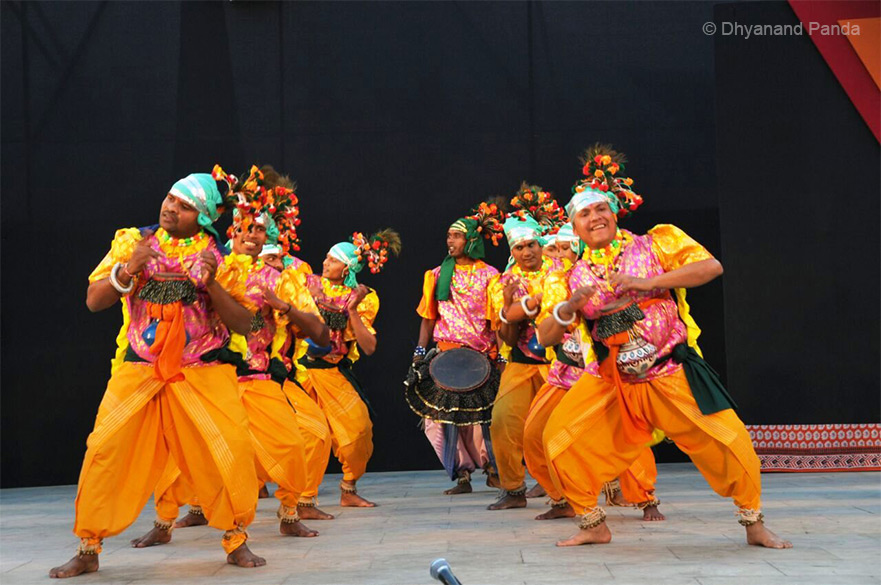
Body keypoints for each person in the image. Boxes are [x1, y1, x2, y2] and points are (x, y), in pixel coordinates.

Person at [538, 144, 791, 548]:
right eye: (584, 213)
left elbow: (711, 267)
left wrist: (647, 284)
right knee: (558, 441)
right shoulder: (568, 273)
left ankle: (754, 523)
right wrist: (570, 306)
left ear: (614, 213)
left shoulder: (656, 243)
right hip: (611, 381)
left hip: (669, 370)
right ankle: (592, 524)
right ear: (575, 227)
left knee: (732, 442)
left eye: (601, 209)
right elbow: (546, 336)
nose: (595, 217)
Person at [50, 169, 267, 578]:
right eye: (171, 198)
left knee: (230, 451)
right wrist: (128, 270)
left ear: (202, 217)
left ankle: (236, 539)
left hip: (202, 370)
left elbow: (245, 325)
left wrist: (212, 285)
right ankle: (89, 546)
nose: (171, 207)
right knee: (104, 451)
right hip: (141, 368)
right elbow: (94, 301)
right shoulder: (133, 242)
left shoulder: (221, 259)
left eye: (184, 206)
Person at [129, 165, 330, 545]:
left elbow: (317, 333)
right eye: (244, 226)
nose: (252, 234)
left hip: (253, 378)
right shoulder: (204, 258)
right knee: (175, 460)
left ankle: (288, 513)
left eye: (260, 229)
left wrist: (283, 307)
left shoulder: (278, 276)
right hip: (199, 373)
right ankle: (165, 522)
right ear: (230, 227)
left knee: (291, 444)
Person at [523, 256, 664, 521]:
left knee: (626, 434)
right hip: (565, 371)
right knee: (533, 434)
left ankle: (647, 499)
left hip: (602, 372)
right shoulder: (551, 283)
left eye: (566, 247)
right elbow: (545, 334)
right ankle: (562, 497)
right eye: (553, 247)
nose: (559, 253)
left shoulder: (601, 277)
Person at [298, 229, 401, 507]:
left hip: (333, 373)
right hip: (301, 373)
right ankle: (303, 501)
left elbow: (368, 346)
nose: (324, 263)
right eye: (326, 258)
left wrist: (352, 310)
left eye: (332, 260)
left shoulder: (362, 296)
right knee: (308, 436)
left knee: (358, 432)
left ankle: (348, 488)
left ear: (346, 268)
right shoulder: (305, 283)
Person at [410, 201, 505, 494]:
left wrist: (502, 356)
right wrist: (418, 354)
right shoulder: (437, 274)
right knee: (439, 421)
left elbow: (497, 323)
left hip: (480, 359)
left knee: (481, 419)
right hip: (445, 357)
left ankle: (493, 470)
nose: (450, 240)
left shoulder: (491, 276)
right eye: (449, 235)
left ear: (472, 239)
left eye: (456, 235)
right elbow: (428, 318)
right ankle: (462, 476)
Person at [485, 185, 563, 510]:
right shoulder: (500, 283)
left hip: (560, 364)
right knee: (503, 422)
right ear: (511, 251)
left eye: (532, 244)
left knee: (557, 427)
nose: (527, 252)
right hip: (520, 361)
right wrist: (507, 303)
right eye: (519, 247)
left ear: (541, 244)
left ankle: (566, 490)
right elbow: (506, 337)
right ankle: (514, 490)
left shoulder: (560, 273)